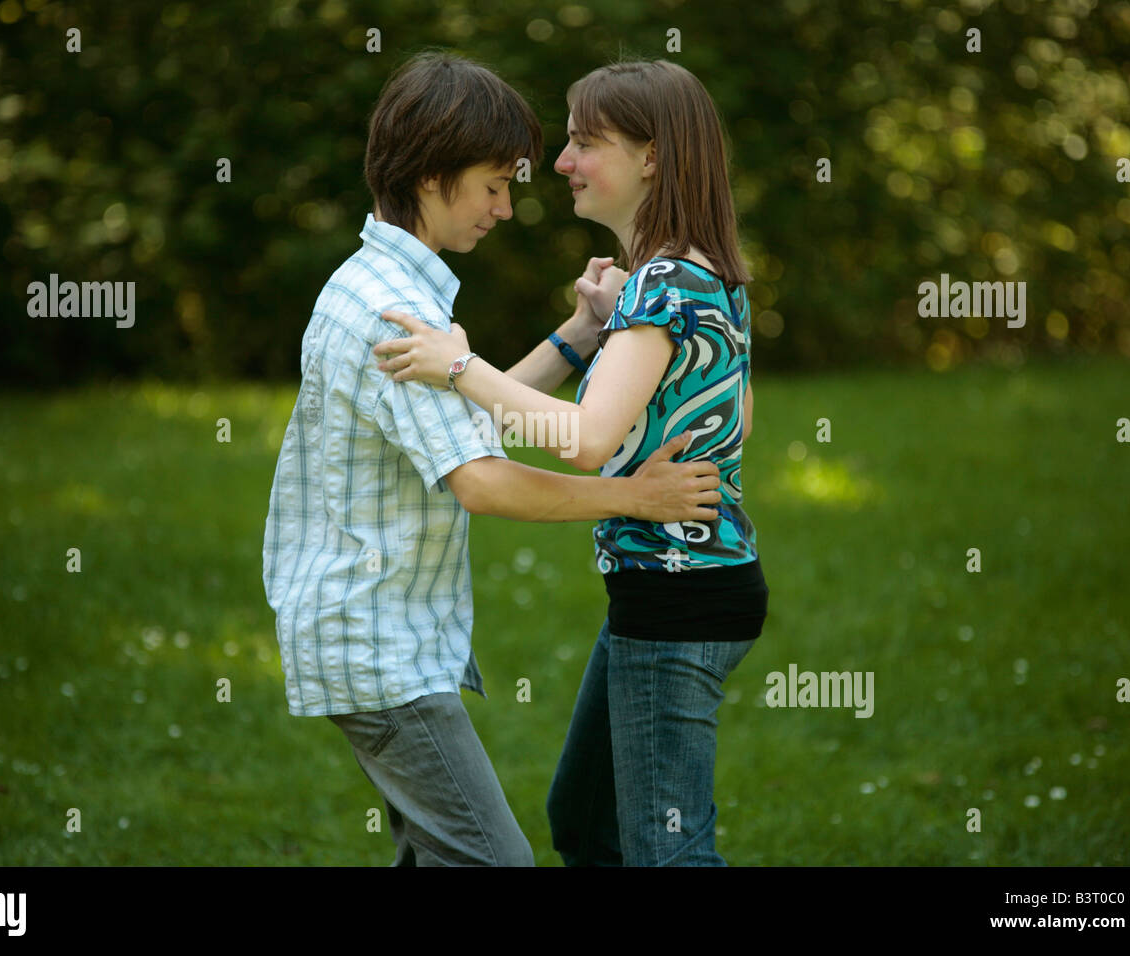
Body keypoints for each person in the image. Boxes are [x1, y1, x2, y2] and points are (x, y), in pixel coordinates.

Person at [261, 52, 723, 868]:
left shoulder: (387, 286)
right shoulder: (389, 311)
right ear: (434, 175)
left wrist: (574, 341)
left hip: (382, 633)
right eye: (493, 185)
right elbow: (480, 479)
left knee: (441, 856)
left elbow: (459, 419)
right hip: (377, 650)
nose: (508, 209)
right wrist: (635, 497)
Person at [373, 59, 768, 866]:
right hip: (678, 589)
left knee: (667, 853)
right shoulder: (699, 272)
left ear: (651, 158)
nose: (559, 162)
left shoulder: (662, 284)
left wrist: (460, 363)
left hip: (677, 596)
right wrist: (587, 334)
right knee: (585, 824)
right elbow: (738, 417)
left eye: (586, 142)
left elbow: (584, 441)